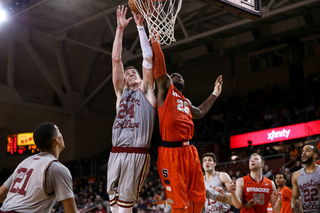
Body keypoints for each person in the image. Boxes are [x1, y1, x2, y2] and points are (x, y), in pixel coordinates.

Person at [151, 40, 223, 213]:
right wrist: (155, 40)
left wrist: (215, 93)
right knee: (179, 203)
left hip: (189, 151)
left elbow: (200, 113)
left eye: (181, 76)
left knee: (198, 198)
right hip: (171, 153)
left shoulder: (186, 102)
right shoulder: (165, 92)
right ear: (168, 80)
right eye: (175, 75)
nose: (179, 76)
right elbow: (160, 68)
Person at [107, 5, 156, 213]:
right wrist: (119, 30)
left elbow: (147, 58)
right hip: (115, 152)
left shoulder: (147, 91)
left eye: (134, 72)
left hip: (136, 153)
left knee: (125, 208)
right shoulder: (120, 93)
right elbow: (116, 59)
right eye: (127, 73)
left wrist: (139, 27)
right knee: (113, 204)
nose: (130, 73)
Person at [0, 122, 78, 213]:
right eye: (59, 132)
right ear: (57, 140)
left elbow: (1, 194)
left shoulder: (25, 162)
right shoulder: (57, 168)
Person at [291, 144, 320, 213]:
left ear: (314, 155)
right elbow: (295, 198)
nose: (303, 153)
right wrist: (295, 206)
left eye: (307, 151)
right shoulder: (296, 175)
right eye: (303, 151)